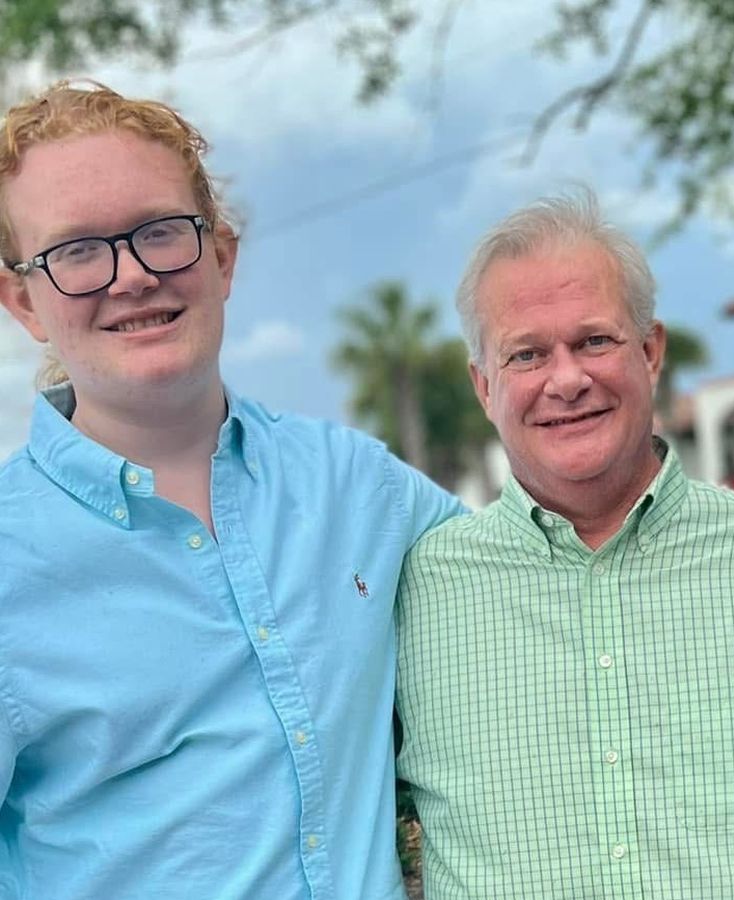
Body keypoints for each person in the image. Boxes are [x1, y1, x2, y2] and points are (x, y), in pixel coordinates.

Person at [0, 82, 463, 898]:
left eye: (160, 232)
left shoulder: (359, 486)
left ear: (221, 257)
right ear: (22, 301)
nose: (132, 276)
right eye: (76, 251)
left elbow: (532, 571)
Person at [394, 191, 734, 899]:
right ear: (484, 387)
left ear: (651, 352)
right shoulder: (418, 592)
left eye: (594, 341)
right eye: (527, 354)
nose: (566, 379)